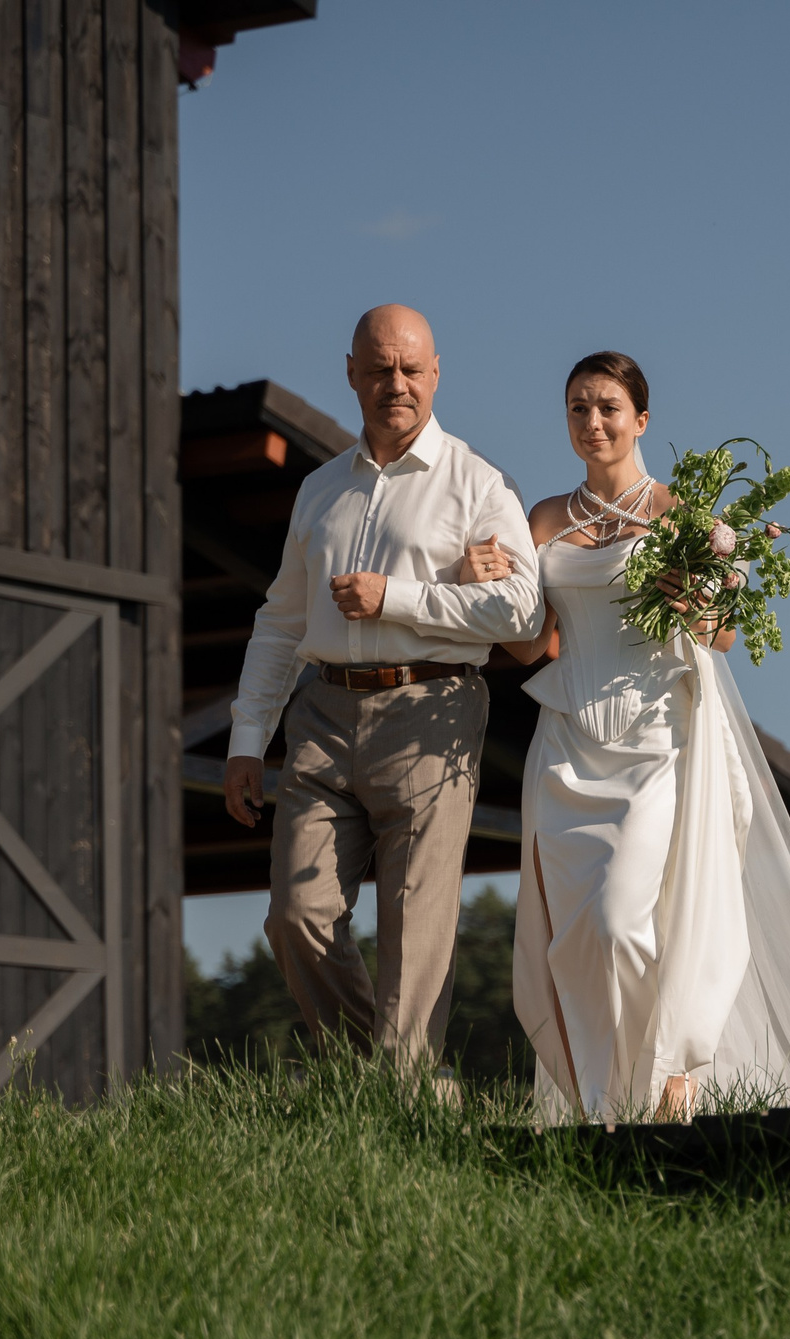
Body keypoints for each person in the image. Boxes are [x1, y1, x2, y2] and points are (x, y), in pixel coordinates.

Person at [456, 351, 790, 1120]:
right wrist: (488, 582)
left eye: (607, 408)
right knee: (579, 937)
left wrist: (690, 596)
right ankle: (606, 1104)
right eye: (577, 409)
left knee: (625, 919)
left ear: (641, 419)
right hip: (566, 748)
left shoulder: (682, 515)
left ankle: (666, 1075)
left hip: (657, 739)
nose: (592, 422)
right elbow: (532, 646)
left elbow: (721, 638)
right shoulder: (545, 520)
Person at [222, 305, 543, 1067]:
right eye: (378, 370)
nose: (394, 385)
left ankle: (397, 1103)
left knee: (415, 922)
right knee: (297, 915)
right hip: (322, 712)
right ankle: (390, 1080)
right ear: (351, 374)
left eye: (409, 370)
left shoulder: (478, 484)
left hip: (433, 710)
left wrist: (395, 596)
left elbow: (523, 610)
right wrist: (245, 739)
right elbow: (279, 622)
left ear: (436, 375)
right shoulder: (319, 490)